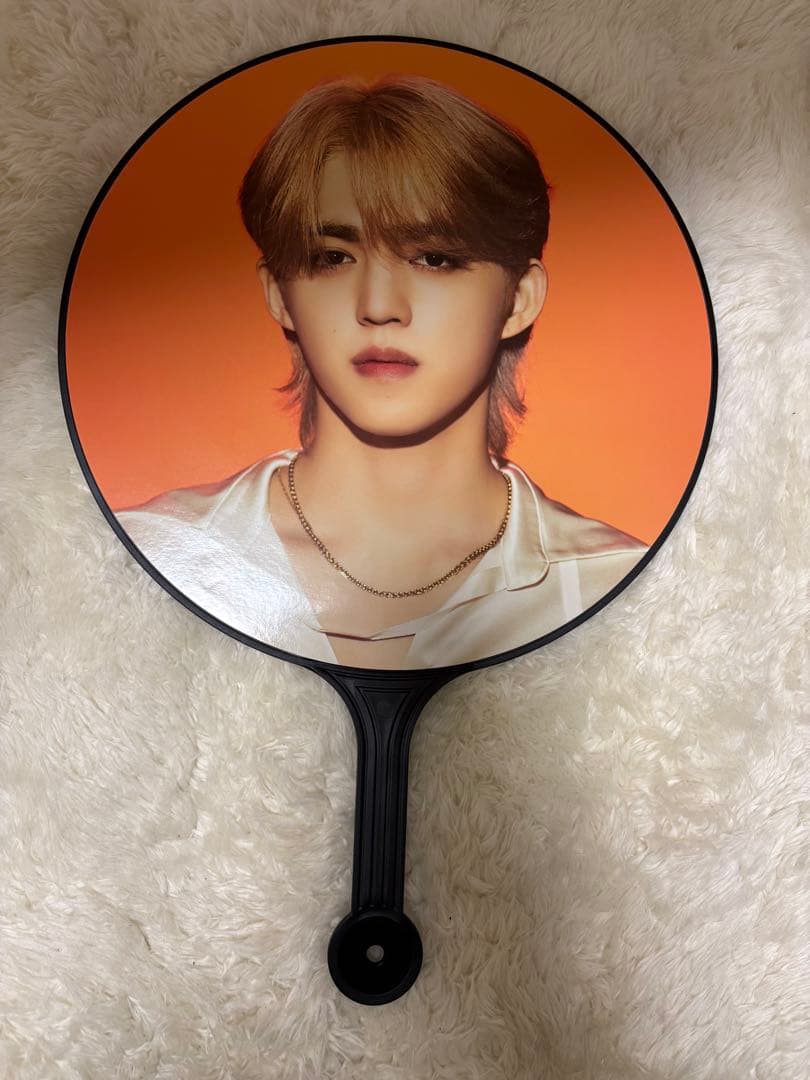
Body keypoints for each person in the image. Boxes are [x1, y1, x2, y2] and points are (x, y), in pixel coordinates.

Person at [116, 74, 647, 669]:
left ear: (519, 298)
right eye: (333, 257)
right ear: (279, 295)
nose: (378, 306)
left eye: (434, 258)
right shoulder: (142, 559)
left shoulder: (626, 593)